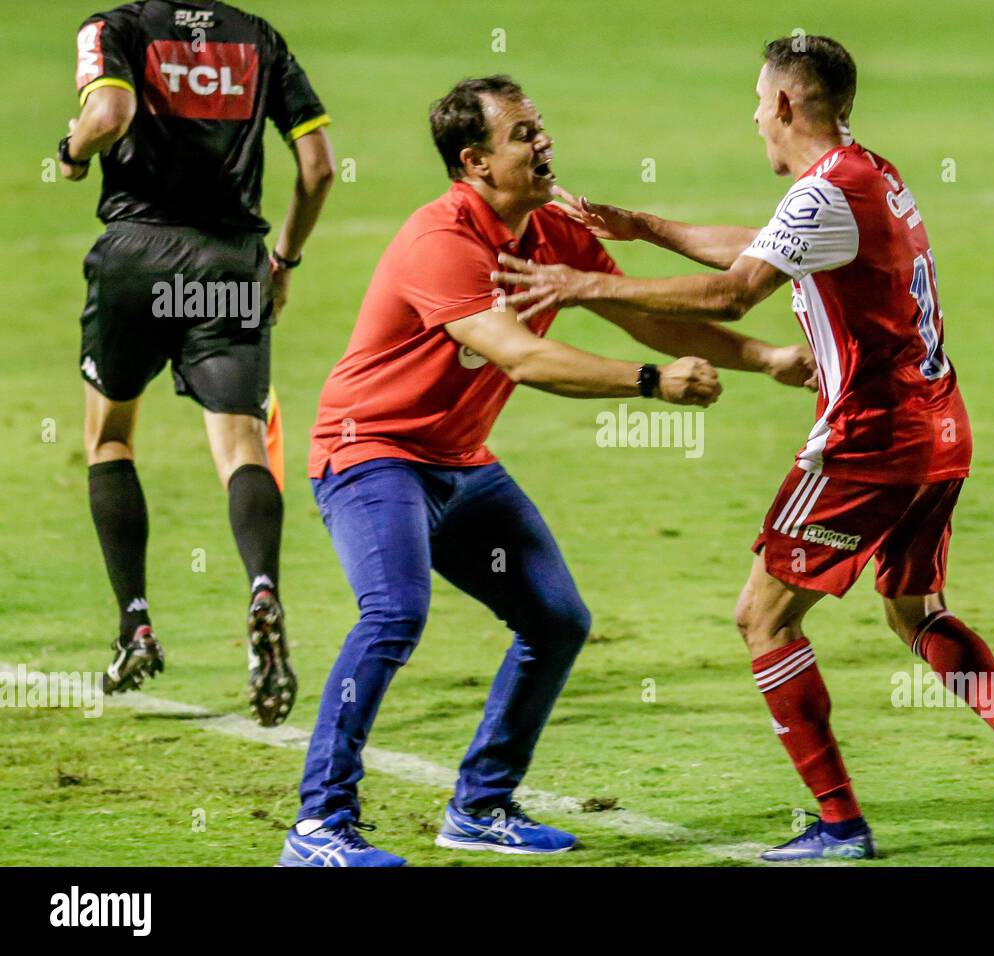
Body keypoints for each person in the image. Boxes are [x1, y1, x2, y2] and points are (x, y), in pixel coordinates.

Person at [494, 36, 994, 861]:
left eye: (757, 102)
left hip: (868, 446)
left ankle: (840, 824)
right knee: (914, 610)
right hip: (943, 433)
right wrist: (643, 227)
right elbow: (770, 242)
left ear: (783, 106)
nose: (753, 118)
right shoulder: (871, 173)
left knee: (762, 620)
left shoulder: (825, 195)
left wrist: (585, 282)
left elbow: (735, 293)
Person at [277, 74, 816, 867]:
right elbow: (523, 357)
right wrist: (648, 384)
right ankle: (318, 825)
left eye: (541, 128)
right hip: (372, 454)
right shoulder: (443, 240)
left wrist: (763, 358)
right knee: (393, 615)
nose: (543, 143)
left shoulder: (551, 227)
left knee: (556, 621)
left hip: (459, 463)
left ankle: (481, 805)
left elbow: (637, 311)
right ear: (475, 162)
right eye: (523, 134)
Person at [63, 0, 335, 725]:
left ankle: (136, 625)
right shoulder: (259, 38)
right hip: (232, 264)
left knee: (111, 437)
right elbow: (318, 167)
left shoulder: (114, 28)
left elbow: (109, 114)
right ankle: (263, 587)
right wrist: (284, 261)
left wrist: (71, 153)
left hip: (135, 258)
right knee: (242, 442)